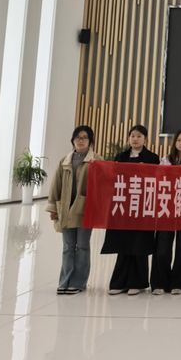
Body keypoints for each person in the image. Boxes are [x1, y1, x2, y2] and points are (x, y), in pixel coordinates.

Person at [102, 124, 160, 296]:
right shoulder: (120, 157)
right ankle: (119, 282)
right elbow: (112, 178)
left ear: (145, 139)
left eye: (139, 136)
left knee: (139, 243)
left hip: (142, 206)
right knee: (123, 242)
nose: (135, 139)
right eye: (133, 136)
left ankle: (138, 282)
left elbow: (156, 181)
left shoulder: (152, 158)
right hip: (123, 206)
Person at [47, 125, 101, 295]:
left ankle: (78, 283)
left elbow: (103, 185)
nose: (81, 140)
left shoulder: (96, 160)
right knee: (68, 247)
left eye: (84, 137)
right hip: (66, 209)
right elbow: (55, 185)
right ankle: (65, 282)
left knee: (82, 246)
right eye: (78, 137)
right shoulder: (65, 160)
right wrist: (53, 208)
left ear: (90, 141)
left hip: (85, 210)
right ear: (73, 140)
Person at [151, 129, 181, 295]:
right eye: (179, 140)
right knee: (162, 246)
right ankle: (159, 282)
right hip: (167, 207)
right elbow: (159, 180)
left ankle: (178, 283)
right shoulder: (165, 160)